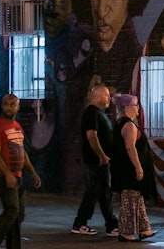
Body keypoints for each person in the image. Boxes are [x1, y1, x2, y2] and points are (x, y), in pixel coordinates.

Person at [0, 94, 42, 249]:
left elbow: (22, 151)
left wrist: (32, 172)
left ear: (18, 107)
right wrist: (7, 174)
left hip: (17, 176)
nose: (8, 107)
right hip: (1, 175)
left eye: (12, 104)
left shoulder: (17, 126)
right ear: (2, 106)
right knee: (12, 210)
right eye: (5, 104)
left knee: (18, 216)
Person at [71, 85, 119, 236]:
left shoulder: (99, 113)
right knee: (103, 192)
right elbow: (92, 136)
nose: (109, 99)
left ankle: (81, 223)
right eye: (106, 96)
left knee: (94, 192)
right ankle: (111, 226)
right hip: (96, 162)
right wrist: (102, 156)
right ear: (97, 97)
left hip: (100, 161)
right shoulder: (91, 113)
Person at [110, 94, 156, 243]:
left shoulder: (121, 123)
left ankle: (144, 228)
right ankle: (125, 231)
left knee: (137, 198)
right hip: (129, 170)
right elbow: (130, 148)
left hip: (126, 168)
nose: (138, 110)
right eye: (136, 106)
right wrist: (138, 167)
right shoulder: (129, 125)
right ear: (128, 108)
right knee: (130, 200)